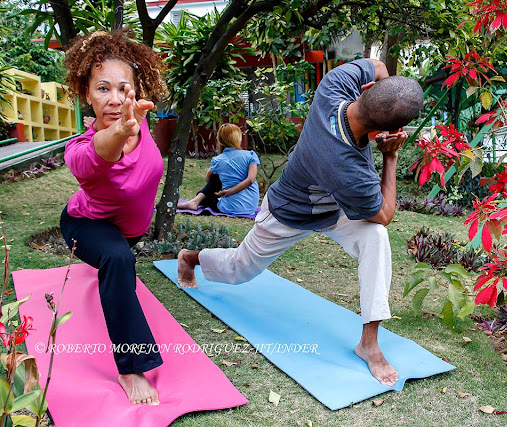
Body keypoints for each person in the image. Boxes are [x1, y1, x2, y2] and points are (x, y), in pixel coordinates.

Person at [177, 58, 423, 387]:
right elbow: (385, 212)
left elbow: (378, 66)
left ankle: (369, 342)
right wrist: (390, 156)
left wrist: (387, 95)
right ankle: (190, 257)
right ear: (383, 131)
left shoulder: (334, 86)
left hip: (335, 211)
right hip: (288, 212)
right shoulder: (345, 165)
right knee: (239, 270)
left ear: (365, 89)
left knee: (374, 237)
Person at [59, 31, 167, 405]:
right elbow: (102, 153)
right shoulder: (80, 150)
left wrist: (131, 123)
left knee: (121, 255)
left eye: (124, 89)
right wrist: (121, 129)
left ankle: (112, 263)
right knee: (119, 259)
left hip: (127, 231)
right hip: (85, 225)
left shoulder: (139, 118)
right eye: (103, 88)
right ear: (87, 94)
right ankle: (131, 367)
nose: (116, 99)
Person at [177, 123, 260, 216]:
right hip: (250, 206)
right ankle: (194, 202)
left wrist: (228, 192)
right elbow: (250, 180)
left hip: (228, 207)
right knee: (214, 184)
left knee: (207, 191)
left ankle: (195, 202)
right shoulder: (251, 155)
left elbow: (209, 180)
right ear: (238, 138)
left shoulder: (218, 160)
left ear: (220, 140)